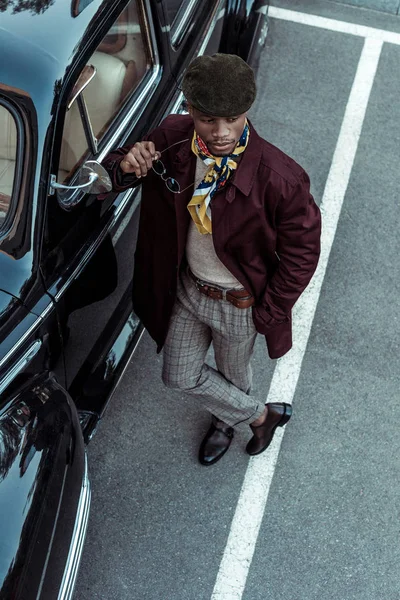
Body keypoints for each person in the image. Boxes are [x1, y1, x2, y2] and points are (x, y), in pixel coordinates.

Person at [102, 53, 321, 466]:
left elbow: (303, 252)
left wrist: (267, 312)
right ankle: (258, 414)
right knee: (179, 375)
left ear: (247, 111)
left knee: (235, 376)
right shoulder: (171, 137)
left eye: (233, 119)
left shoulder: (281, 178)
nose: (221, 133)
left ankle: (224, 423)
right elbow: (118, 166)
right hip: (188, 290)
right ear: (189, 109)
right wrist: (126, 167)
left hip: (239, 305)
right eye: (207, 120)